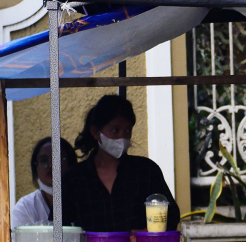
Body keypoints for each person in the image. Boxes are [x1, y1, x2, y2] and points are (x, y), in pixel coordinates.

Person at [63, 95, 179, 232]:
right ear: (95, 132)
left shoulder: (146, 171)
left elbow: (171, 216)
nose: (122, 137)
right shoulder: (74, 178)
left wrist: (144, 234)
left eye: (128, 130)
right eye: (115, 130)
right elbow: (59, 226)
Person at [12, 137, 77, 228]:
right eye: (43, 161)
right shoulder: (25, 207)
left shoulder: (85, 200)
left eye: (57, 158)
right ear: (36, 168)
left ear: (70, 163)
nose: (51, 165)